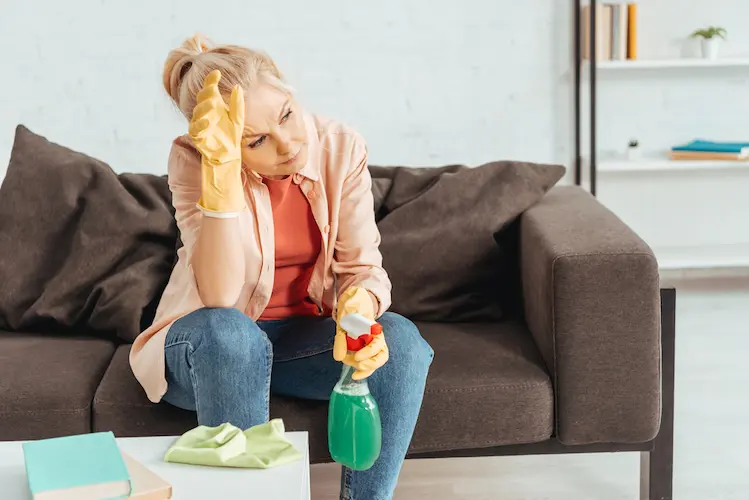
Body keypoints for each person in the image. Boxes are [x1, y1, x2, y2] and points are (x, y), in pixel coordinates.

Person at [128, 34, 434, 500]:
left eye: (287, 115)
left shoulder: (340, 147)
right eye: (256, 140)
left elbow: (363, 268)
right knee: (233, 335)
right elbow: (219, 296)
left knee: (402, 343)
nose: (289, 144)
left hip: (301, 344)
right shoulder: (195, 159)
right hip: (207, 350)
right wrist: (222, 173)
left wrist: (360, 304)